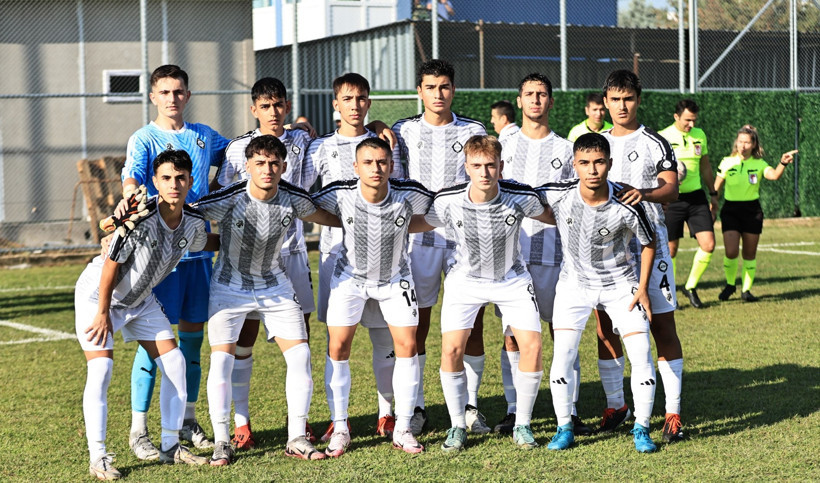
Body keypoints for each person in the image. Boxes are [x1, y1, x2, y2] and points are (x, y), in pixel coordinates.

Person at [195, 135, 340, 465]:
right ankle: (222, 441)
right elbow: (186, 216)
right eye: (260, 163)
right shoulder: (229, 198)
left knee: (301, 355)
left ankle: (297, 437)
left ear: (284, 167)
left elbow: (329, 216)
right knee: (221, 360)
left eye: (274, 163)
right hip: (229, 286)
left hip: (274, 284)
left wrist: (367, 214)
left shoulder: (293, 198)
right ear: (247, 167)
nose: (268, 169)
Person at [78, 150, 214, 479]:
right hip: (100, 295)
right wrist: (101, 312)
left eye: (181, 178)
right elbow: (111, 263)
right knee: (101, 370)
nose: (174, 184)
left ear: (191, 181)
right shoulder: (140, 217)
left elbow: (205, 243)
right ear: (155, 181)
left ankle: (169, 446)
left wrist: (249, 240)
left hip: (141, 300)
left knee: (176, 363)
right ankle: (99, 456)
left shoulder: (194, 222)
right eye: (166, 178)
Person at [413, 135, 550, 452]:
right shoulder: (448, 200)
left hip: (512, 279)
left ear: (501, 166)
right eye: (477, 165)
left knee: (532, 345)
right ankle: (457, 426)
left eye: (490, 165)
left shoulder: (520, 196)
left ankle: (523, 425)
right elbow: (422, 224)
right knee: (450, 351)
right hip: (465, 281)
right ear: (466, 167)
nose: (484, 172)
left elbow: (555, 216)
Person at [121, 64, 229, 458]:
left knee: (192, 344)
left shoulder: (203, 136)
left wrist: (286, 133)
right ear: (153, 96)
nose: (172, 98)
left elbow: (238, 152)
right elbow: (132, 176)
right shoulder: (144, 138)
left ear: (187, 94)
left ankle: (186, 419)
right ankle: (139, 430)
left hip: (199, 254)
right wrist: (131, 196)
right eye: (164, 92)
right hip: (161, 260)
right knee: (153, 346)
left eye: (178, 91)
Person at [210, 77, 316, 449]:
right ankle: (241, 423)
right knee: (243, 338)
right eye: (265, 106)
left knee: (300, 339)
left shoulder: (303, 141)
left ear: (287, 106)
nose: (273, 112)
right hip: (244, 260)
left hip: (292, 254)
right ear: (254, 109)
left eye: (279, 105)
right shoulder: (238, 148)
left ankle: (297, 425)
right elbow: (220, 195)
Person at [538, 133, 658, 453]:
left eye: (599, 162)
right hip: (574, 286)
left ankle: (642, 428)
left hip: (621, 286)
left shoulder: (627, 200)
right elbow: (519, 199)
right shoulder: (559, 194)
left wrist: (643, 288)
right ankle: (564, 426)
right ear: (574, 165)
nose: (592, 170)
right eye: (585, 163)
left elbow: (648, 243)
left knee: (641, 353)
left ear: (610, 163)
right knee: (563, 353)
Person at [313, 137, 433, 457]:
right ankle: (340, 427)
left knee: (406, 346)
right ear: (356, 167)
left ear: (391, 166)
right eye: (368, 162)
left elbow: (438, 210)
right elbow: (307, 207)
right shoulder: (339, 192)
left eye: (382, 162)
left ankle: (403, 427)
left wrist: (409, 224)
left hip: (395, 279)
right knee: (338, 346)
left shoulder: (409, 193)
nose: (375, 168)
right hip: (349, 280)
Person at [303, 72, 404, 442]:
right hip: (336, 257)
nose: (355, 105)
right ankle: (337, 418)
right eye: (348, 99)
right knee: (337, 341)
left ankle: (386, 413)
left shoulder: (385, 143)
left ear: (369, 102)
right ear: (336, 105)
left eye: (362, 98)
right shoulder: (319, 148)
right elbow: (303, 195)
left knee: (382, 340)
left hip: (382, 258)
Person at [392, 59, 489, 436]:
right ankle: (416, 408)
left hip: (466, 238)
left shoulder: (472, 130)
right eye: (431, 87)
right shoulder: (402, 131)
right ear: (420, 91)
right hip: (419, 237)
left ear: (453, 89)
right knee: (418, 321)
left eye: (445, 86)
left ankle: (471, 406)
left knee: (472, 322)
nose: (438, 94)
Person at [495, 72, 591, 436]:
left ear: (551, 102)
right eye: (529, 94)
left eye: (542, 95)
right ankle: (514, 408)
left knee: (561, 333)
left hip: (556, 255)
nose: (536, 100)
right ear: (518, 101)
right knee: (513, 335)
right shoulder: (504, 143)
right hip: (511, 257)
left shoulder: (567, 149)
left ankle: (571, 409)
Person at [597, 69, 685, 444]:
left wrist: (643, 192)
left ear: (638, 100)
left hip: (651, 245)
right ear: (605, 102)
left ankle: (673, 412)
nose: (621, 106)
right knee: (605, 327)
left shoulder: (655, 142)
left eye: (628, 98)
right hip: (604, 250)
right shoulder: (594, 143)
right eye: (615, 99)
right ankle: (617, 405)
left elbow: (672, 189)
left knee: (662, 326)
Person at [714, 125, 797, 302]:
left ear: (753, 145)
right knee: (731, 251)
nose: (742, 145)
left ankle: (746, 291)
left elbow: (774, 175)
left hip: (752, 211)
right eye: (740, 142)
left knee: (749, 254)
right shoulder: (727, 162)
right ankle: (730, 284)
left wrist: (782, 163)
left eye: (747, 142)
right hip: (730, 211)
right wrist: (712, 205)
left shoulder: (759, 164)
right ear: (736, 143)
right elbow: (716, 187)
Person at [659, 99, 718, 308]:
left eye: (694, 120)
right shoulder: (663, 137)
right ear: (676, 117)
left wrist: (713, 194)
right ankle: (670, 291)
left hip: (696, 198)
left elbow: (705, 166)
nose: (691, 124)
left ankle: (690, 286)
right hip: (672, 199)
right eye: (687, 120)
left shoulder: (699, 135)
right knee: (670, 250)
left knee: (708, 244)